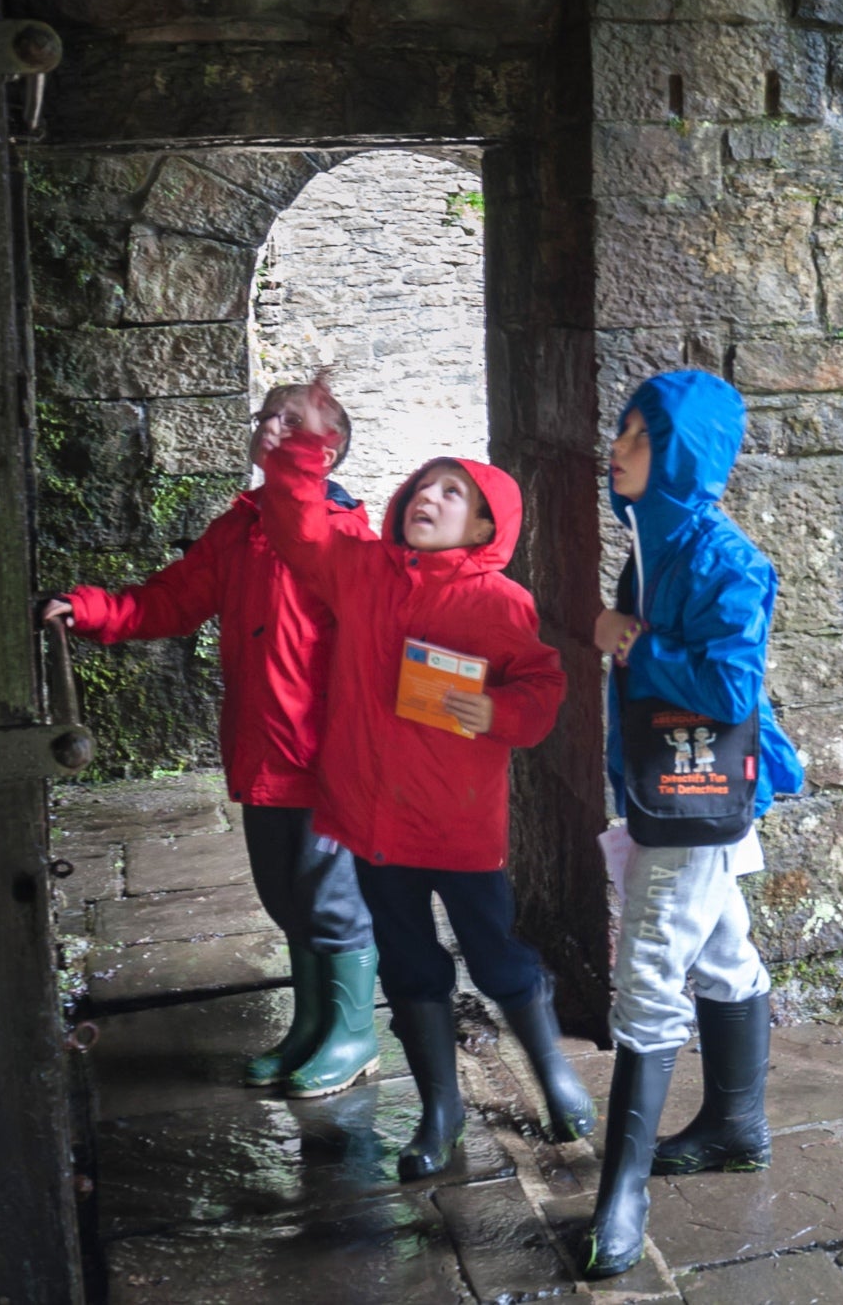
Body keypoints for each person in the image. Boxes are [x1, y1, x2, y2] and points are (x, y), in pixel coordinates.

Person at [251, 379, 595, 1180]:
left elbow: (542, 690)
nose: (429, 499)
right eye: (423, 486)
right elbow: (299, 526)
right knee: (409, 966)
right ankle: (440, 1112)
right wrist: (304, 440)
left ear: (485, 527)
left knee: (498, 957)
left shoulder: (499, 602)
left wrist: (498, 714)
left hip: (459, 827)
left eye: (454, 494)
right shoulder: (360, 571)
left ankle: (555, 1076)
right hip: (373, 824)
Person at [42, 383, 381, 1097]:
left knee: (334, 900)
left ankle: (354, 1037)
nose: (270, 424)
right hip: (265, 754)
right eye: (266, 415)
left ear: (330, 448)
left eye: (293, 419)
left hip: (328, 763)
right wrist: (92, 608)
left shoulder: (344, 538)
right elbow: (172, 598)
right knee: (288, 899)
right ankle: (312, 1027)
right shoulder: (240, 531)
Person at [581, 370, 806, 1281]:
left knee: (647, 971)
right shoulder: (652, 546)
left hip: (697, 801)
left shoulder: (722, 557)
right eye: (624, 433)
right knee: (717, 951)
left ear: (676, 455)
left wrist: (627, 640)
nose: (616, 448)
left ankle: (622, 1192)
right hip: (672, 789)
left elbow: (728, 690)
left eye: (636, 437)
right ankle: (735, 1125)